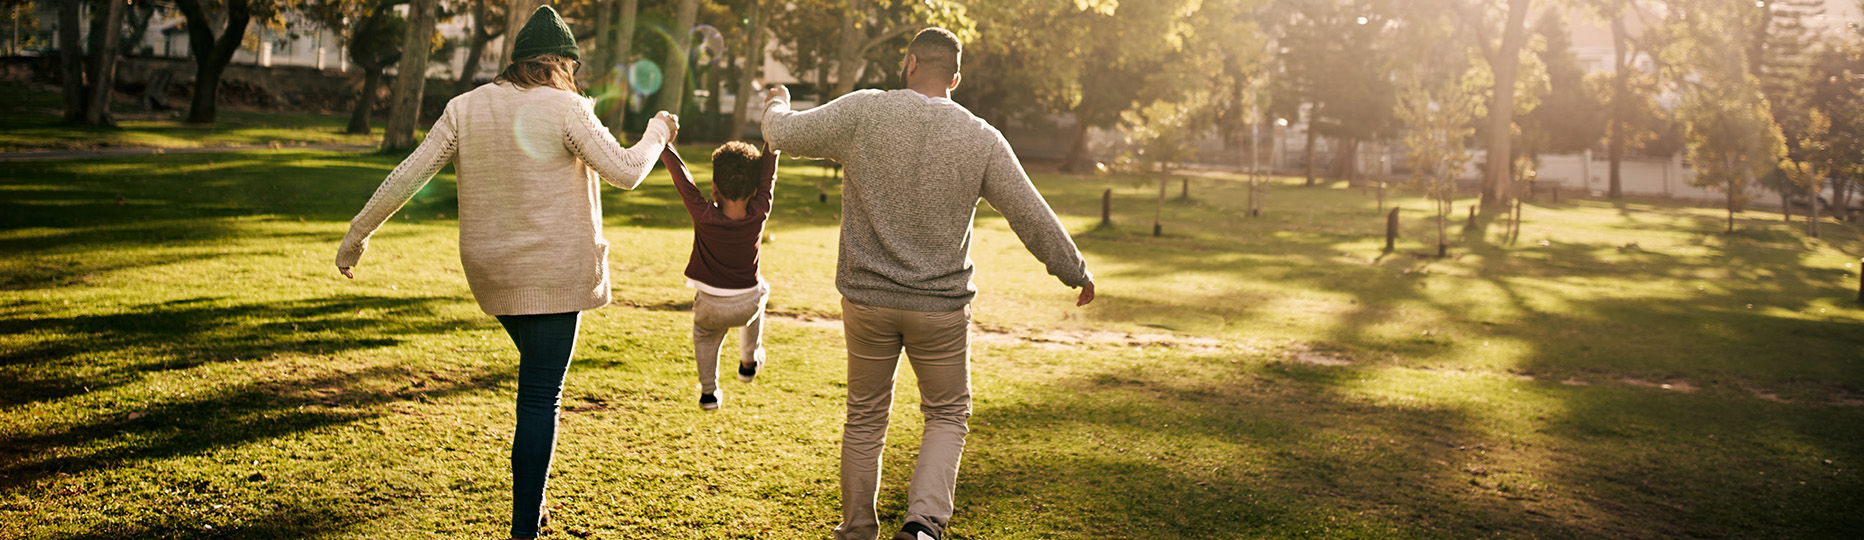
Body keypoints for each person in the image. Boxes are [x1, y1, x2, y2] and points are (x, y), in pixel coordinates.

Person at [332, 7, 677, 539]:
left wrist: (358, 235)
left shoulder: (465, 107)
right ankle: (524, 529)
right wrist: (658, 130)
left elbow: (410, 174)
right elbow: (627, 172)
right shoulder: (569, 107)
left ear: (517, 61)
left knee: (537, 379)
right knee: (541, 397)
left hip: (492, 271)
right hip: (554, 274)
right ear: (560, 63)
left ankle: (532, 506)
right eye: (571, 67)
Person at [761, 27, 1096, 540]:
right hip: (939, 309)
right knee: (946, 416)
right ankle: (922, 526)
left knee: (865, 418)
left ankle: (856, 531)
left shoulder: (866, 110)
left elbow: (782, 136)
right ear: (955, 78)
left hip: (868, 300)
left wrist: (777, 104)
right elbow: (1030, 213)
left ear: (910, 62)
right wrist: (1074, 268)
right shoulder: (982, 137)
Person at [659, 141, 780, 410]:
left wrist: (664, 143)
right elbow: (768, 174)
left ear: (714, 188)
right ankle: (748, 362)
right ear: (754, 190)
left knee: (704, 335)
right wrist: (771, 139)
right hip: (747, 304)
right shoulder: (760, 210)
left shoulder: (703, 214)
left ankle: (709, 393)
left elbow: (682, 179)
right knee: (761, 291)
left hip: (711, 307)